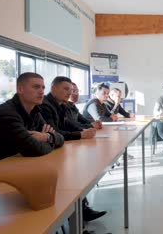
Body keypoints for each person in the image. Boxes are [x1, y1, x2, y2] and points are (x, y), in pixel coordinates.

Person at [40, 77, 105, 222]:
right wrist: (81, 134)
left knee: (74, 168)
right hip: (42, 152)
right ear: (53, 89)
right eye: (66, 89)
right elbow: (55, 132)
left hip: (53, 146)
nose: (70, 93)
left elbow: (69, 125)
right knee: (70, 171)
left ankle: (81, 211)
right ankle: (80, 214)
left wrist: (87, 128)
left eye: (72, 90)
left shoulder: (62, 105)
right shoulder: (45, 106)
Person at [0, 72, 64, 171]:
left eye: (43, 87)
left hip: (14, 163)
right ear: (20, 89)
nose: (41, 92)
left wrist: (46, 136)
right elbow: (34, 149)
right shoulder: (7, 113)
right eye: (36, 87)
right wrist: (51, 140)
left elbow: (61, 138)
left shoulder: (35, 111)